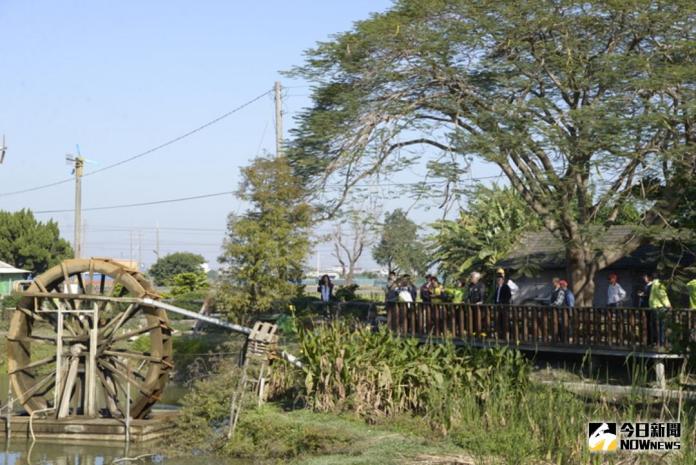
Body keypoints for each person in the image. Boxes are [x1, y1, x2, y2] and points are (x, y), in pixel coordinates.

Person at [649, 277, 672, 347]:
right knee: (661, 326)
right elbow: (662, 295)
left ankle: (657, 342)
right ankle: (661, 343)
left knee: (656, 326)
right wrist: (669, 305)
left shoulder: (654, 283)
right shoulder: (659, 284)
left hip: (654, 306)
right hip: (659, 308)